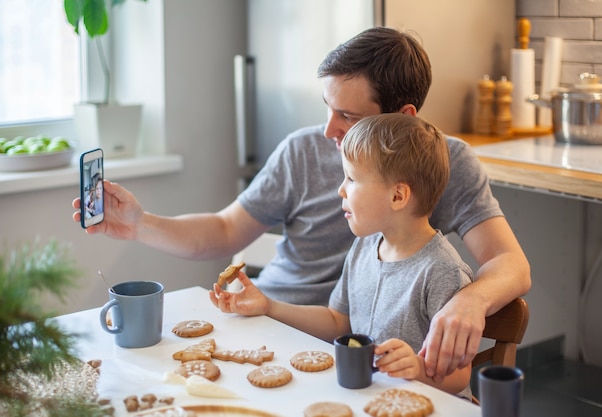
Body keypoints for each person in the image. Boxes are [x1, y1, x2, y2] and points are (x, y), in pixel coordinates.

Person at [71, 27, 531, 382]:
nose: (328, 130)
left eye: (347, 116)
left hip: (362, 356)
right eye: (327, 107)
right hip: (278, 325)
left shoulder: (445, 163)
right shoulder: (302, 150)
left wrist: (470, 299)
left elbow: (510, 264)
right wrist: (138, 224)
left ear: (402, 118)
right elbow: (225, 231)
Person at [209, 113, 474, 399]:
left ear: (398, 196)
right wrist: (269, 306)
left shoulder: (442, 271)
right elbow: (338, 321)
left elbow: (460, 377)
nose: (340, 189)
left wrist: (419, 368)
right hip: (367, 398)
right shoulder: (365, 247)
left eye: (352, 178)